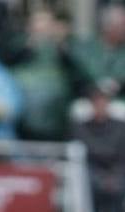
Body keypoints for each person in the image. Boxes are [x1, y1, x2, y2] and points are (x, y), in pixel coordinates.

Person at [73, 78, 125, 212]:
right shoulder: (80, 126)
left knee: (120, 188)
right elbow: (86, 153)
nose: (100, 104)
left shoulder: (121, 127)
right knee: (92, 188)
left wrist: (114, 174)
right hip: (91, 173)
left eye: (104, 100)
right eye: (96, 100)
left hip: (116, 173)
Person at [10, 8, 76, 142]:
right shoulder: (18, 44)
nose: (42, 29)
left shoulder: (64, 47)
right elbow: (8, 62)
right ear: (29, 27)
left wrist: (61, 47)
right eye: (38, 23)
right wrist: (29, 46)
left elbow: (78, 75)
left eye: (46, 24)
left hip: (56, 116)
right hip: (23, 114)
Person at [68, 4, 125, 120]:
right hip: (89, 98)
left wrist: (118, 85)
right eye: (124, 25)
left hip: (118, 99)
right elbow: (79, 76)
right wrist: (95, 94)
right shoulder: (86, 47)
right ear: (109, 27)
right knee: (78, 110)